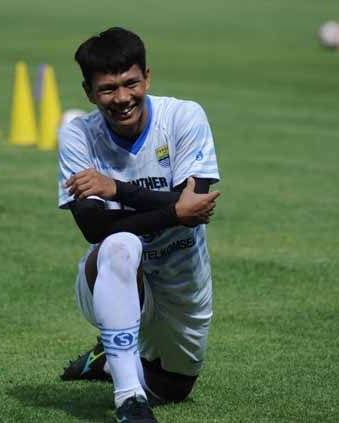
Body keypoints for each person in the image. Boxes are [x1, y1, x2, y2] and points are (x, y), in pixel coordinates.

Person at [57, 27, 221, 423]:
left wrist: (116, 188)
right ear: (89, 92)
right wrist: (174, 212)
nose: (122, 98)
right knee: (120, 244)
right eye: (108, 89)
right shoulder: (77, 136)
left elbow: (193, 201)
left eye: (131, 83)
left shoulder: (183, 117)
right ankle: (129, 400)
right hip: (108, 275)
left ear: (147, 77)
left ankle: (108, 357)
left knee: (174, 387)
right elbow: (95, 228)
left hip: (182, 278)